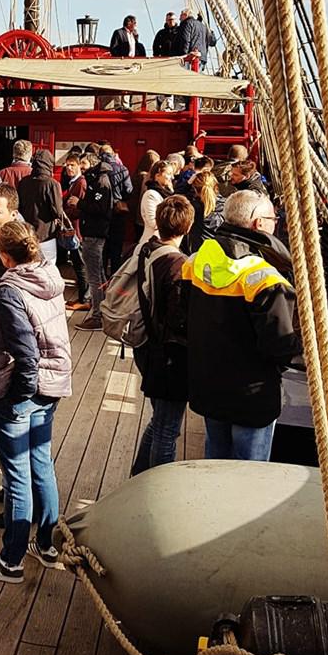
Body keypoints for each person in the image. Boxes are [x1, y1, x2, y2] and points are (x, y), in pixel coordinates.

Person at [0, 222, 72, 583]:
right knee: (41, 463)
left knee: (16, 475)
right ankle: (46, 544)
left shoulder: (9, 289)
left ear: (5, 255)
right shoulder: (50, 276)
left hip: (23, 388)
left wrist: (17, 396)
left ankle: (10, 560)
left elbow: (26, 353)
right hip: (52, 381)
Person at [184, 190, 302, 461]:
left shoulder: (197, 260)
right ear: (259, 223)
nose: (276, 223)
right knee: (249, 473)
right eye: (273, 218)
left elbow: (183, 317)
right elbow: (279, 346)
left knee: (215, 462)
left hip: (208, 386)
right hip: (251, 396)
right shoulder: (266, 280)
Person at [131, 196, 195, 474]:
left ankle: (139, 475)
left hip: (146, 345)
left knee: (159, 422)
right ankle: (156, 486)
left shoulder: (147, 249)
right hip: (168, 355)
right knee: (167, 430)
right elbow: (178, 320)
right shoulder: (178, 265)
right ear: (188, 227)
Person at [75, 153, 114, 330]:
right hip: (93, 232)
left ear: (92, 163)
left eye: (83, 163)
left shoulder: (101, 181)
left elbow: (100, 208)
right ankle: (105, 310)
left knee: (94, 277)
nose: (81, 166)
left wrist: (79, 203)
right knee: (99, 274)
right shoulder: (96, 179)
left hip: (95, 232)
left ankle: (98, 316)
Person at [17, 149, 63, 264]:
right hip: (46, 233)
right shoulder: (52, 183)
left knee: (28, 266)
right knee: (48, 266)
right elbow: (57, 211)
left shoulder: (23, 182)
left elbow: (19, 207)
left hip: (27, 232)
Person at [100, 144, 134, 276]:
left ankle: (102, 276)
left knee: (102, 247)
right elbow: (129, 191)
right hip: (118, 212)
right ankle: (114, 275)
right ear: (113, 154)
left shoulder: (98, 168)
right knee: (116, 247)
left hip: (101, 212)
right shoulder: (122, 169)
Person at [61, 155, 89, 310]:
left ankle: (84, 298)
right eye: (67, 165)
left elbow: (80, 209)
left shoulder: (81, 183)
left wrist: (64, 212)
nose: (69, 168)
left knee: (80, 264)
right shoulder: (73, 183)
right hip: (73, 229)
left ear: (79, 166)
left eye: (72, 165)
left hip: (78, 230)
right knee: (77, 264)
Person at [137, 160, 175, 248]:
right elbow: (153, 222)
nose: (172, 177)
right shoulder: (150, 194)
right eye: (169, 174)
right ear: (157, 176)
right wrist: (173, 223)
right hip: (152, 242)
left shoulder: (168, 193)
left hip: (164, 242)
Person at [186, 170, 225, 252]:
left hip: (196, 252)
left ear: (195, 189)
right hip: (219, 252)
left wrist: (187, 184)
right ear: (216, 186)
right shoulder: (226, 205)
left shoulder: (191, 208)